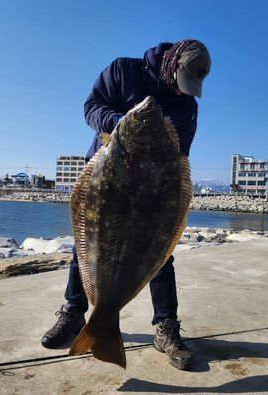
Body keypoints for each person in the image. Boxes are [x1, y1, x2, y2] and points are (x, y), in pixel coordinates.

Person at [40, 40, 211, 371]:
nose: (181, 93)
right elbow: (91, 106)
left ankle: (165, 327)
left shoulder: (188, 106)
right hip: (106, 184)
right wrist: (120, 122)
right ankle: (75, 313)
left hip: (151, 196)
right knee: (85, 246)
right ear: (172, 65)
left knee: (160, 256)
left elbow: (181, 156)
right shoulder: (123, 71)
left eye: (190, 89)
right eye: (180, 84)